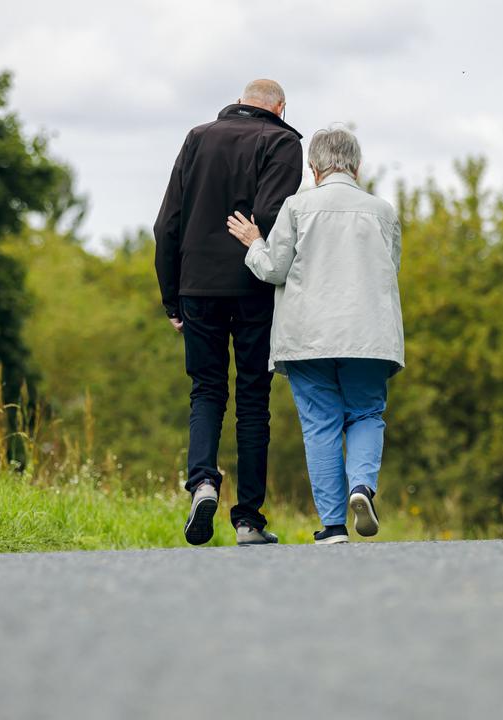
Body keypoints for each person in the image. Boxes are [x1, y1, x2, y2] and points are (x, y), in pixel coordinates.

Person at [226, 126, 404, 545]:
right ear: (356, 166)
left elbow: (273, 269)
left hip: (309, 336)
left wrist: (254, 241)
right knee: (365, 413)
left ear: (314, 167)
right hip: (369, 333)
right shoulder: (383, 211)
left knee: (320, 425)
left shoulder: (297, 207)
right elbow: (389, 269)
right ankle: (361, 486)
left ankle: (334, 527)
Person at [154, 79, 304, 546]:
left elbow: (167, 224)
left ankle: (202, 482)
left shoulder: (197, 137)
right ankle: (248, 521)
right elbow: (270, 214)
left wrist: (171, 296)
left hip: (197, 285)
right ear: (279, 108)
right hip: (253, 285)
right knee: (254, 399)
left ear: (241, 102)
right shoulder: (283, 141)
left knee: (206, 390)